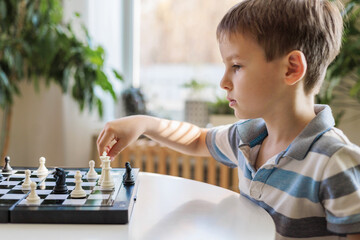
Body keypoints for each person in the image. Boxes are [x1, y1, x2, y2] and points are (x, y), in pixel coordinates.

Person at [97, 0, 360, 239]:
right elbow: (197, 139)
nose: (223, 82)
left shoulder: (335, 162)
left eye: (236, 66)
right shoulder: (247, 137)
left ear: (291, 68)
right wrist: (143, 123)